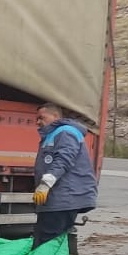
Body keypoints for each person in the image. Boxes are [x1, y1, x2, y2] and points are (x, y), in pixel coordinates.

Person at [32, 102, 97, 246]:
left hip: (64, 199)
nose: (38, 122)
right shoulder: (54, 135)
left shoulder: (66, 132)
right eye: (37, 119)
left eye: (42, 118)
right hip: (58, 199)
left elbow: (64, 159)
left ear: (55, 116)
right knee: (46, 241)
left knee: (47, 243)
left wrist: (45, 184)